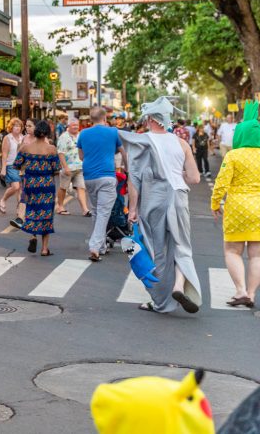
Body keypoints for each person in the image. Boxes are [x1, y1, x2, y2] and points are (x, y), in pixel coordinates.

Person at [121, 97, 202, 314]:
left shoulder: (142, 141)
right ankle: (178, 286)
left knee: (157, 250)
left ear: (149, 119)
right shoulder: (181, 143)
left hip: (153, 199)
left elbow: (134, 180)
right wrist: (178, 173)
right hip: (179, 197)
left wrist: (133, 209)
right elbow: (195, 178)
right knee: (182, 246)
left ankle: (161, 302)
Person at [210, 100, 260, 308]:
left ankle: (240, 290)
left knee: (232, 251)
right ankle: (251, 293)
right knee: (256, 254)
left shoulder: (233, 156)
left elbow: (221, 183)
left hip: (238, 207)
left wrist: (215, 204)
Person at [79, 106, 129, 261]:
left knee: (96, 211)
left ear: (90, 119)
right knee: (103, 212)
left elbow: (81, 156)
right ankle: (95, 246)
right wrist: (127, 167)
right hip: (107, 175)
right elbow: (123, 152)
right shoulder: (113, 132)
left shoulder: (83, 133)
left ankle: (100, 246)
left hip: (89, 176)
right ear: (105, 118)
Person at [10, 120, 60, 256]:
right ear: (47, 134)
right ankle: (44, 249)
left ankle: (33, 236)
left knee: (32, 210)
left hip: (30, 183)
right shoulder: (51, 149)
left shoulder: (26, 148)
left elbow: (16, 165)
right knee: (46, 214)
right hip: (47, 185)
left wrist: (30, 167)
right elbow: (56, 170)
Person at [56, 119, 89, 217]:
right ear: (68, 126)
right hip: (68, 167)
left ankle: (85, 209)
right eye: (73, 125)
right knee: (63, 187)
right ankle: (60, 206)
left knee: (81, 187)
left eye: (77, 125)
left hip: (80, 166)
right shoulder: (63, 137)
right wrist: (65, 167)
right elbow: (61, 153)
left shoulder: (80, 135)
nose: (75, 127)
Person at [0, 118, 25, 218]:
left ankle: (19, 209)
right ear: (11, 127)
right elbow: (4, 154)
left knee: (20, 189)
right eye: (15, 126)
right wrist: (3, 168)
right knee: (16, 186)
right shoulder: (7, 138)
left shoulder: (23, 138)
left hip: (21, 166)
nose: (17, 128)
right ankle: (3, 200)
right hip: (11, 165)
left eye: (19, 126)